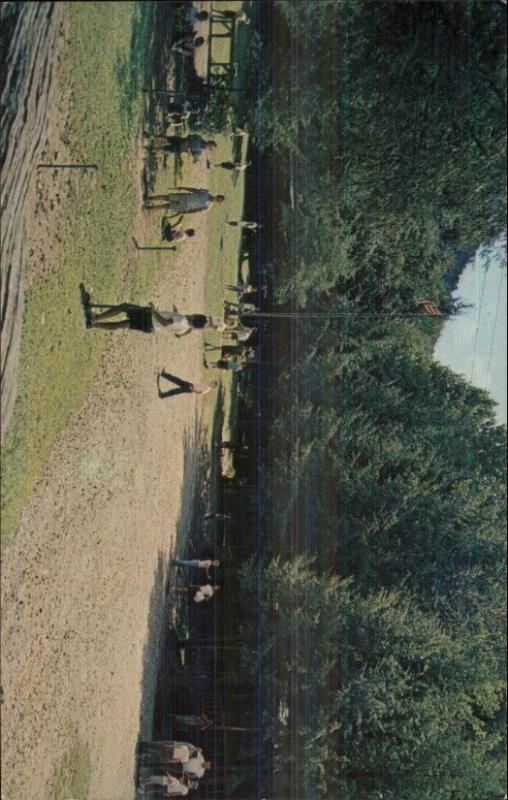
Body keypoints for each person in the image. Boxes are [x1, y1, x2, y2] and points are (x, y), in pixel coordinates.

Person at [86, 300, 221, 336]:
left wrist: (153, 309)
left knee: (123, 307)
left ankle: (96, 317)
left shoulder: (182, 320)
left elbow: (166, 322)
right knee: (122, 325)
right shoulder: (185, 327)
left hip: (149, 317)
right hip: (150, 328)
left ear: (195, 316)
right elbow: (177, 332)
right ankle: (94, 325)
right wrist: (175, 312)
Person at [144, 189, 225, 214]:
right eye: (218, 199)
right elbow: (194, 190)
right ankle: (149, 198)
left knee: (166, 206)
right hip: (184, 197)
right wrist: (183, 187)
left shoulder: (207, 207)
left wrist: (184, 212)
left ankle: (149, 208)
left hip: (185, 207)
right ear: (217, 196)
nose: (217, 200)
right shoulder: (206, 193)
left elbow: (195, 211)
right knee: (166, 197)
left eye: (218, 202)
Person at [146, 135, 217, 163]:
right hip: (180, 140)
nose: (208, 145)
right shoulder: (199, 138)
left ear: (209, 149)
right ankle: (150, 137)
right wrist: (187, 142)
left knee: (164, 149)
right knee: (165, 138)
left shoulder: (199, 152)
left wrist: (195, 159)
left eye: (210, 146)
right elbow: (189, 136)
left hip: (179, 149)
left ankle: (149, 150)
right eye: (209, 143)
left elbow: (194, 158)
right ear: (209, 141)